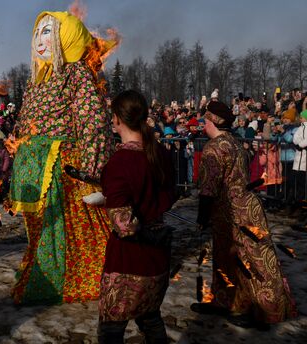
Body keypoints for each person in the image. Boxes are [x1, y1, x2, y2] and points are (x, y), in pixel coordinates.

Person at [8, 11, 116, 304]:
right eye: (37, 32)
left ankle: (75, 280)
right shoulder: (36, 79)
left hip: (65, 170)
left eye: (47, 32)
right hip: (33, 169)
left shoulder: (76, 72)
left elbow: (92, 122)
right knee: (40, 229)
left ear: (65, 37)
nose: (39, 39)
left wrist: (95, 172)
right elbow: (24, 121)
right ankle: (42, 274)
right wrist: (17, 143)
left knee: (72, 229)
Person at [194, 100, 297, 328]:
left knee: (245, 260)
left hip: (232, 212)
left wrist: (202, 218)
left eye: (205, 119)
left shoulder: (215, 147)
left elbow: (208, 188)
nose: (202, 123)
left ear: (212, 121)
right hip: (246, 207)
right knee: (229, 258)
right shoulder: (234, 143)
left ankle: (258, 309)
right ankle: (226, 301)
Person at [97, 90, 176, 344]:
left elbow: (124, 224)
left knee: (112, 329)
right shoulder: (160, 154)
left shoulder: (120, 162)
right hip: (158, 257)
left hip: (129, 260)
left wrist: (106, 203)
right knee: (150, 316)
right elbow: (169, 195)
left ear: (118, 118)